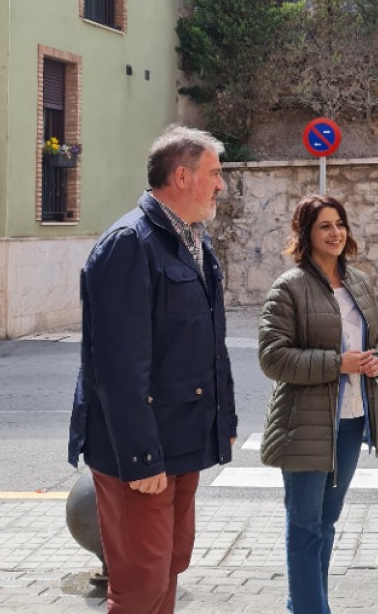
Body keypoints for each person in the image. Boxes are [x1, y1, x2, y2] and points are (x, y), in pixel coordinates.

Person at [68, 124, 237, 614]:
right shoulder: (129, 243)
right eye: (214, 173)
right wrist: (142, 456)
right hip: (141, 454)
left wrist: (220, 424)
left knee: (170, 566)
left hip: (183, 439)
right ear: (182, 176)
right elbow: (118, 364)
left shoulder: (194, 242)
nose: (220, 184)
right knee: (140, 584)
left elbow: (210, 346)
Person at [258, 194, 378, 614]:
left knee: (326, 523)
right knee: (304, 527)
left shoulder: (359, 283)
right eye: (324, 226)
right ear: (306, 234)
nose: (335, 233)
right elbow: (272, 357)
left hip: (352, 421)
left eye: (340, 224)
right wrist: (338, 364)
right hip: (305, 423)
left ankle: (306, 605)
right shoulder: (289, 287)